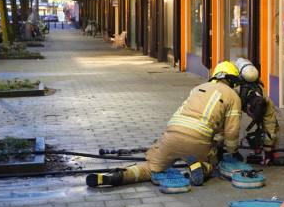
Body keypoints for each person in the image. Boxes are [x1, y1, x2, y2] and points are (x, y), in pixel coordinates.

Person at [86, 61, 243, 190]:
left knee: (151, 167)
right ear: (232, 80)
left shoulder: (197, 88)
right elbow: (232, 131)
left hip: (171, 136)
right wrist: (232, 152)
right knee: (214, 162)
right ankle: (201, 167)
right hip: (197, 142)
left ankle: (117, 177)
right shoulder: (233, 96)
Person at [234, 58, 284, 166]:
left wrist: (268, 154)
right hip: (235, 100)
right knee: (230, 126)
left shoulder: (267, 103)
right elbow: (231, 124)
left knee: (274, 127)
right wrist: (232, 150)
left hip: (260, 108)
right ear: (248, 107)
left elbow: (270, 128)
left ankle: (272, 152)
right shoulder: (236, 94)